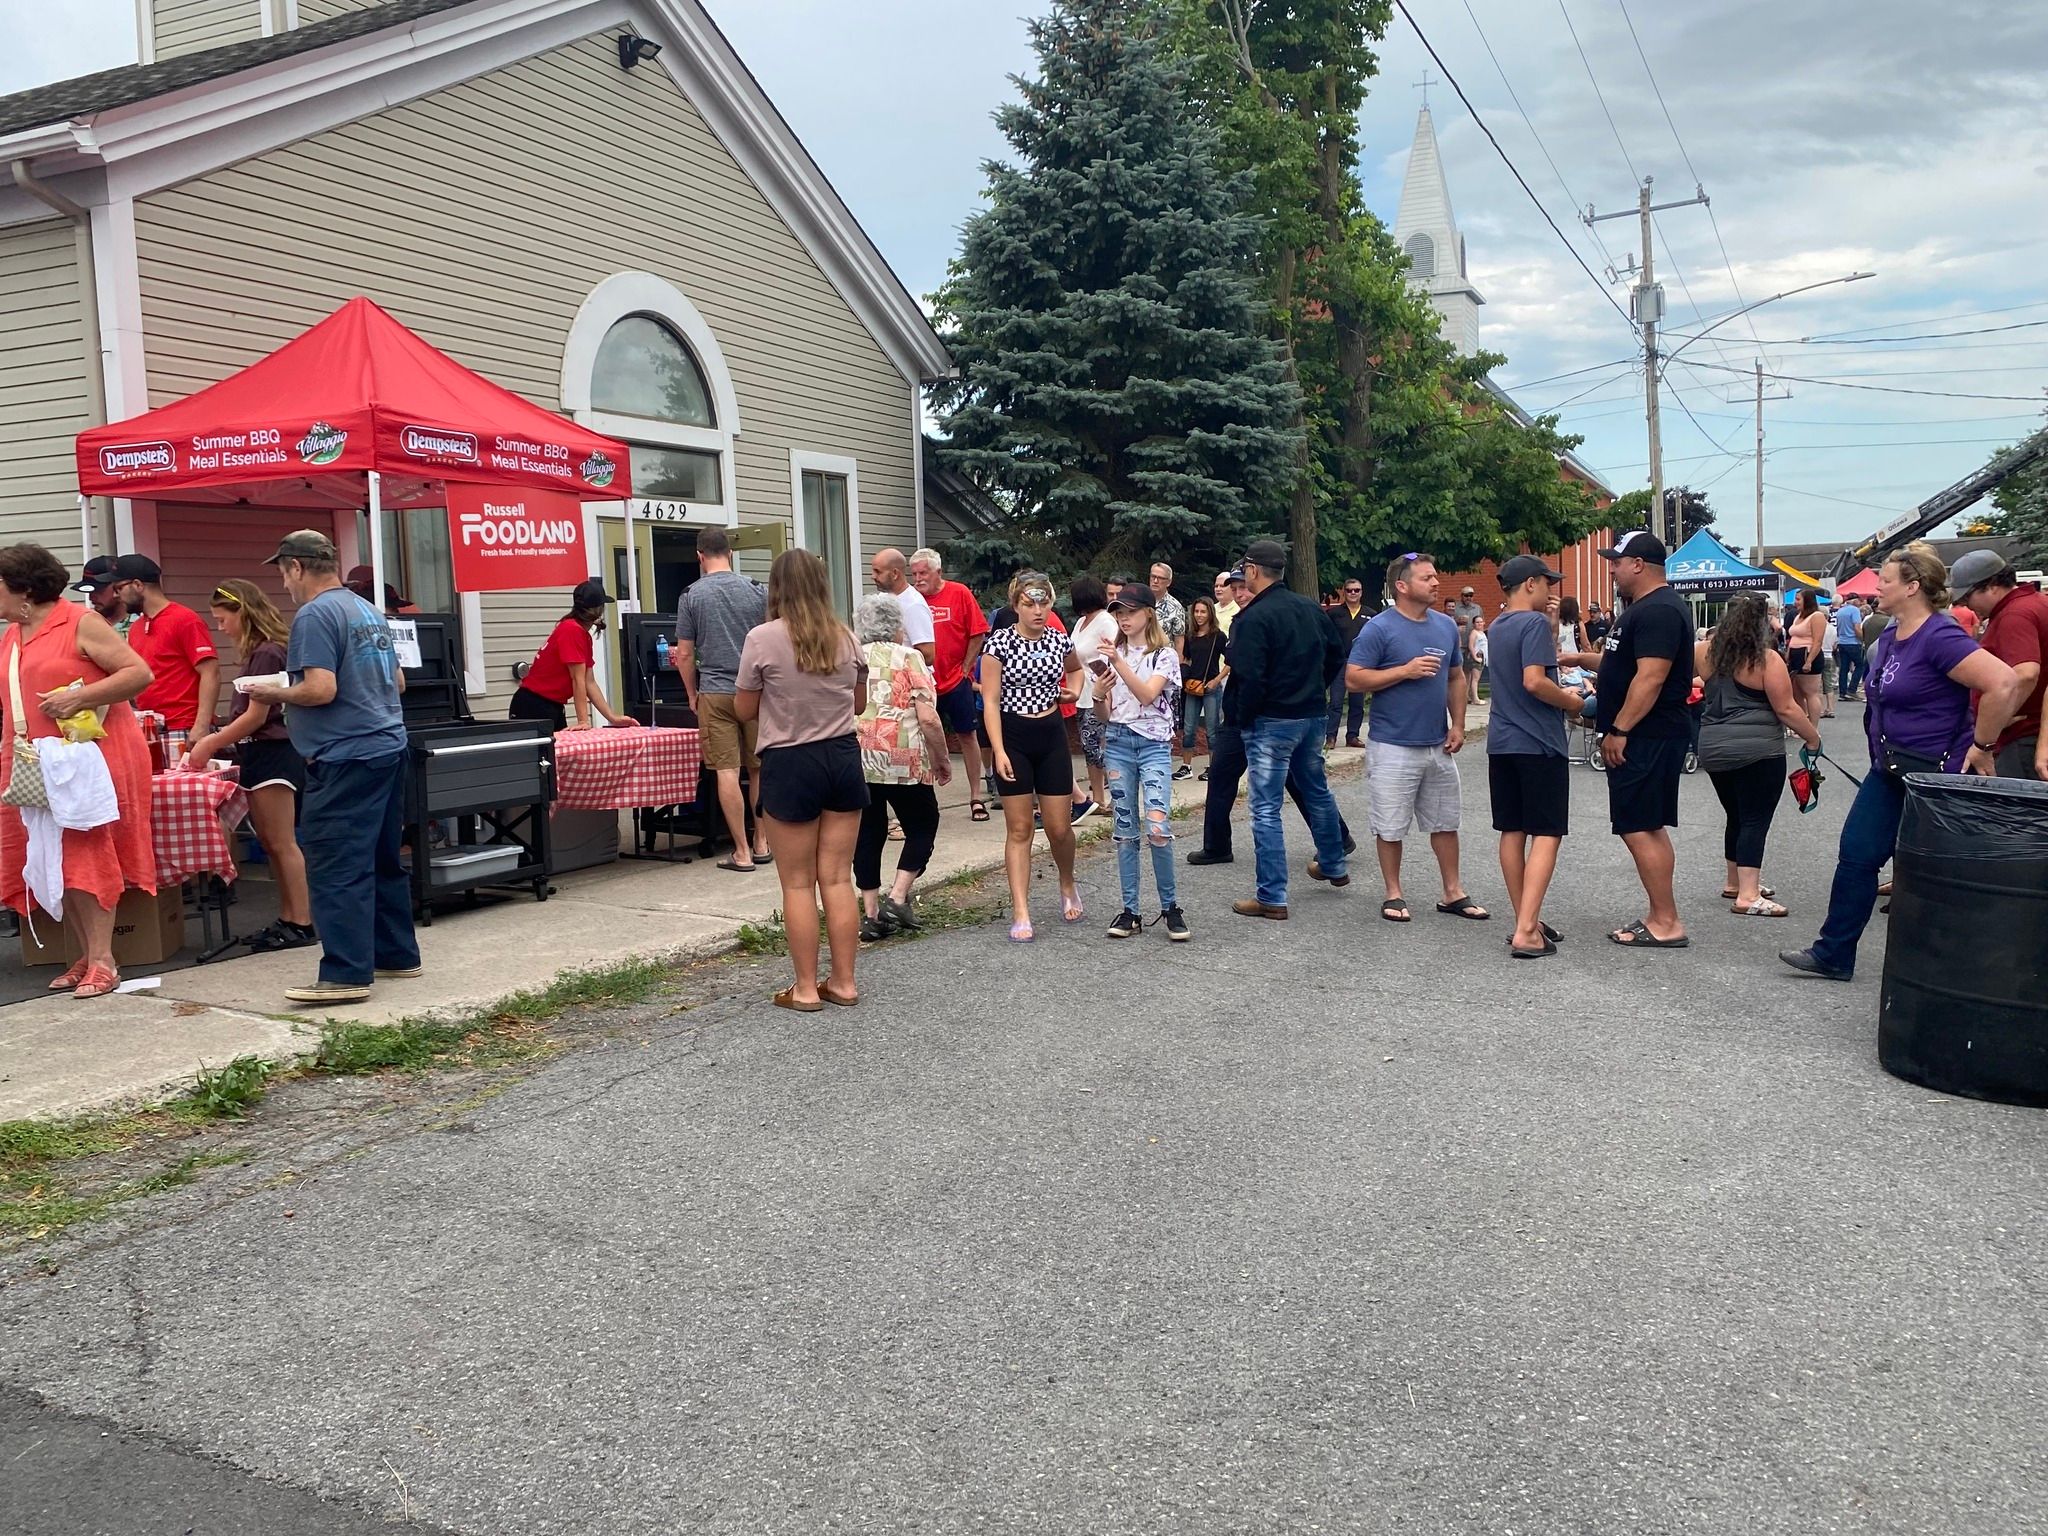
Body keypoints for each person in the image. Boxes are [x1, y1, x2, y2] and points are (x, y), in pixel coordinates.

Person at [1782, 543, 2022, 981]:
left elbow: (2005, 683)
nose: (1876, 587)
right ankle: (1833, 954)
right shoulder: (1891, 635)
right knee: (1856, 855)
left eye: (1886, 581)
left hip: (1935, 775)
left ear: (1913, 587)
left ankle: (1955, 971)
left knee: (1936, 872)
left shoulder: (1940, 636)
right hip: (1889, 770)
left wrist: (1983, 745)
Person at [250, 530, 419, 1006]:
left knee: (336, 864)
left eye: (283, 572)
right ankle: (397, 956)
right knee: (383, 860)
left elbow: (320, 689)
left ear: (297, 567)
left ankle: (345, 973)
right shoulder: (366, 610)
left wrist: (273, 692)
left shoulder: (314, 615)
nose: (284, 583)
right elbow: (399, 681)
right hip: (388, 747)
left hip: (345, 757)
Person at [0, 543, 155, 998]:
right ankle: (87, 954)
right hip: (35, 761)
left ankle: (104, 959)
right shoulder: (14, 633)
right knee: (52, 856)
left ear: (23, 589)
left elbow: (138, 673)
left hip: (87, 759)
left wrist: (81, 697)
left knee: (87, 852)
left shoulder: (80, 622)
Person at [735, 550, 870, 1009]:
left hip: (790, 760)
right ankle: (845, 983)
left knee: (796, 883)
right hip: (842, 757)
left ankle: (806, 988)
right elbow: (858, 705)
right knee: (836, 877)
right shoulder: (847, 638)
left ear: (776, 588)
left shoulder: (761, 639)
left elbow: (744, 709)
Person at [1348, 552, 1485, 924]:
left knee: (1445, 822)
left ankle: (1452, 892)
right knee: (1391, 824)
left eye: (1435, 576)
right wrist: (1403, 671)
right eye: (1427, 578)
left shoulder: (1444, 626)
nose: (1437, 582)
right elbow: (1353, 678)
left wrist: (1458, 725)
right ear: (1403, 586)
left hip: (1437, 743)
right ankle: (1394, 893)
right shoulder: (1379, 628)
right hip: (1392, 745)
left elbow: (1456, 677)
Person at [185, 579, 314, 952]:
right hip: (259, 754)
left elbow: (257, 716)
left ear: (243, 611)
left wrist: (210, 742)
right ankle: (289, 917)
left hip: (273, 753)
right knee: (272, 843)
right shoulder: (261, 652)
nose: (220, 627)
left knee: (281, 841)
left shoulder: (268, 653)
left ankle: (301, 920)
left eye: (222, 619)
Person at [1223, 538, 1349, 921]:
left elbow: (1250, 677)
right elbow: (1335, 654)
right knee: (1316, 789)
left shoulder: (1251, 619)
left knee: (1265, 807)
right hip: (1310, 716)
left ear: (1253, 571)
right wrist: (1317, 689)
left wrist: (1245, 718)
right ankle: (1333, 863)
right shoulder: (1309, 607)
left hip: (1271, 721)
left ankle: (1272, 896)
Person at [1595, 531, 1696, 949]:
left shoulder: (1658, 610)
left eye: (1616, 561)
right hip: (1649, 733)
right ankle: (1660, 914)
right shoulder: (1648, 608)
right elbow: (1627, 665)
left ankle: (1667, 922)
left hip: (1647, 735)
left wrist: (1620, 729)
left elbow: (1651, 677)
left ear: (1638, 564)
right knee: (1646, 826)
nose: (1612, 568)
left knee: (1639, 826)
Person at [1486, 556, 1589, 958]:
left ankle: (1524, 919)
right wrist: (1571, 702)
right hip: (1538, 741)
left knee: (1512, 830)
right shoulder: (1531, 625)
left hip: (1503, 739)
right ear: (1530, 584)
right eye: (1547, 583)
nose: (1552, 591)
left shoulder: (1497, 626)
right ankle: (1527, 930)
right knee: (1547, 832)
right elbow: (1534, 681)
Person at [1694, 594, 1820, 918]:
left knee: (1735, 814)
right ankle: (1749, 895)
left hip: (1713, 746)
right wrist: (1812, 737)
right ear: (1763, 622)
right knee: (1754, 818)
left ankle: (1735, 882)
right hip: (1757, 748)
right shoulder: (1766, 659)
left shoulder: (1704, 652)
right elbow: (1787, 708)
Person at [980, 571, 1083, 941]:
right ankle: (1021, 909)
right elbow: (989, 702)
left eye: (1043, 602)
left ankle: (1067, 882)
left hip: (1051, 734)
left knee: (1059, 827)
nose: (1038, 610)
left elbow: (1076, 670)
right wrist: (999, 750)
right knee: (1020, 828)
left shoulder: (1059, 639)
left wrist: (1072, 691)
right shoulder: (999, 644)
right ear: (1016, 605)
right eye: (1029, 603)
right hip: (1013, 735)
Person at [1090, 584, 1187, 940]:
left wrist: (1118, 663)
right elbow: (1104, 713)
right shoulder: (1111, 653)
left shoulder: (1163, 655)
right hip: (1117, 742)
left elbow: (1147, 695)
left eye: (1130, 611)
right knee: (1125, 831)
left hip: (1153, 746)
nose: (1123, 618)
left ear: (1149, 612)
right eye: (1118, 612)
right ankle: (1130, 910)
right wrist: (1099, 694)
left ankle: (1170, 907)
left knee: (1158, 828)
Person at [851, 593, 946, 942]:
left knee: (868, 833)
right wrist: (941, 760)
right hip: (903, 758)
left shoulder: (851, 656)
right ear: (896, 627)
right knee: (924, 824)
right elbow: (928, 718)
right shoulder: (910, 657)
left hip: (859, 758)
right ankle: (898, 896)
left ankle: (872, 915)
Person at [677, 527, 772, 872]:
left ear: (700, 556)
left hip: (715, 690)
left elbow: (685, 654)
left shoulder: (691, 595)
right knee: (759, 768)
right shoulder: (756, 590)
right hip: (755, 691)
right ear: (730, 553)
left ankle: (742, 851)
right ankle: (762, 842)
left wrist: (691, 693)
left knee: (726, 771)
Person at [910, 547, 992, 824]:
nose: (918, 579)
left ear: (938, 572)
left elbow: (978, 632)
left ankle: (976, 796)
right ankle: (926, 800)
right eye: (915, 574)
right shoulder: (911, 600)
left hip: (956, 680)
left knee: (967, 735)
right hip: (923, 682)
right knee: (923, 739)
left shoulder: (959, 593)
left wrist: (967, 667)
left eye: (924, 573)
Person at [1950, 549, 2048, 779]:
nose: (1966, 605)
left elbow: (2025, 674)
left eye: (1968, 597)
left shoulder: (2014, 615)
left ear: (1992, 585)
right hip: (2033, 733)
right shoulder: (2035, 603)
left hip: (2024, 738)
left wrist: (1992, 726)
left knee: (2018, 812)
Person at [113, 554, 218, 743]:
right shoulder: (137, 628)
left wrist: (201, 726)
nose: (116, 595)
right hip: (150, 728)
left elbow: (210, 672)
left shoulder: (185, 619)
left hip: (184, 726)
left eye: (119, 588)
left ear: (138, 585)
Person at [511, 579, 630, 733]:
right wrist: (583, 720)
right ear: (598, 610)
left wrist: (612, 717)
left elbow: (589, 682)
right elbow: (577, 679)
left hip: (552, 705)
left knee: (558, 755)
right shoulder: (572, 630)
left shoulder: (579, 632)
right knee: (540, 755)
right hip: (534, 705)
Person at [1069, 576, 1117, 816]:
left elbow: (1114, 652)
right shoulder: (1080, 623)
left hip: (1099, 690)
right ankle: (1098, 798)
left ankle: (1111, 796)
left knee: (1099, 746)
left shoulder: (1105, 621)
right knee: (1088, 746)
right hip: (1081, 693)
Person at [1175, 596, 1228, 780]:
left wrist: (1217, 679)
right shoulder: (1190, 636)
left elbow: (1230, 661)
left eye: (1203, 611)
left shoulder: (1218, 636)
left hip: (1211, 687)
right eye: (1196, 611)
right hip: (1192, 687)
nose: (1199, 615)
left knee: (1212, 730)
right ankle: (1186, 766)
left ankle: (1214, 766)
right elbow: (1187, 658)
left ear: (1210, 614)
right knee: (1189, 728)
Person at [869, 548, 934, 668]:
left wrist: (896, 656)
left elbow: (928, 655)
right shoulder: (883, 597)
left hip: (909, 681)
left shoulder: (913, 605)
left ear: (895, 574)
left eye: (878, 572)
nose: (872, 576)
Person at [1324, 577, 1369, 747]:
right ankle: (1331, 737)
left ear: (1361, 592)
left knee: (1357, 702)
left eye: (1356, 590)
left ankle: (1352, 736)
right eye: (1349, 590)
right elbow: (1326, 636)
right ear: (1344, 592)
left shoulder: (1370, 614)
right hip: (1339, 663)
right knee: (1335, 702)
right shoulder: (1334, 614)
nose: (1353, 593)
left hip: (1360, 663)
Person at [1785, 590, 1828, 726]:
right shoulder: (1798, 617)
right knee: (1796, 692)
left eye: (1798, 599)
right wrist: (1788, 654)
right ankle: (1802, 722)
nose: (1795, 602)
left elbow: (1817, 641)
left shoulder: (1817, 616)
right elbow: (1792, 636)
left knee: (1810, 693)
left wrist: (1809, 660)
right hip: (1795, 655)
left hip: (1807, 654)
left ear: (1807, 600)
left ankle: (1813, 726)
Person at [72, 556, 132, 637]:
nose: (91, 598)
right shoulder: (86, 628)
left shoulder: (141, 628)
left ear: (119, 587)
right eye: (90, 592)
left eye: (98, 590)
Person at [1148, 562, 1187, 654]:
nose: (1155, 581)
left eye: (1160, 578)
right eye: (1153, 576)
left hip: (1164, 660)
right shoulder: (1139, 600)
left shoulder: (1176, 607)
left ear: (1169, 582)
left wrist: (1178, 665)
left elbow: (1179, 641)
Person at [1835, 594, 1867, 700]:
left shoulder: (1840, 611)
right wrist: (1862, 638)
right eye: (1858, 600)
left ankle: (1842, 692)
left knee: (1844, 668)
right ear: (1854, 600)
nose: (1860, 602)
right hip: (1853, 642)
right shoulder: (1854, 611)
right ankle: (1852, 689)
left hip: (1842, 641)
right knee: (1860, 665)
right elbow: (1857, 627)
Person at [1819, 599, 1839, 718]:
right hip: (1829, 655)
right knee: (1829, 684)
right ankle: (1830, 708)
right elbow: (1835, 645)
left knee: (1819, 685)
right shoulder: (1832, 629)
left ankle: (1820, 710)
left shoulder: (1817, 627)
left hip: (1819, 655)